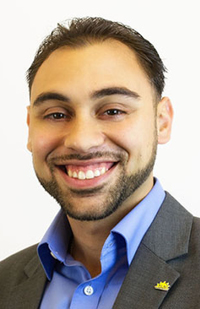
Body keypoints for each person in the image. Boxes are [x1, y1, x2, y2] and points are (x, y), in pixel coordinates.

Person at [0, 17, 200, 309]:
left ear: (162, 121)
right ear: (30, 128)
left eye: (113, 110)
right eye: (56, 114)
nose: (81, 140)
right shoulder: (5, 283)